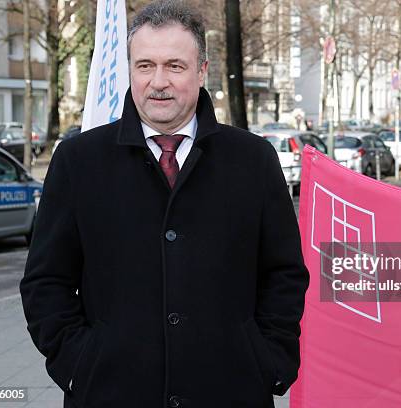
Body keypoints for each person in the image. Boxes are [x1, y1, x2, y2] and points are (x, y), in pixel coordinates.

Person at [19, 1, 309, 407]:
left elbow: (284, 274)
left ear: (201, 70)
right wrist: (79, 364)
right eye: (144, 66)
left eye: (175, 66)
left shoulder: (253, 160)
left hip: (232, 392)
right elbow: (45, 282)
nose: (158, 81)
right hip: (110, 395)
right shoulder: (78, 161)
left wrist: (269, 360)